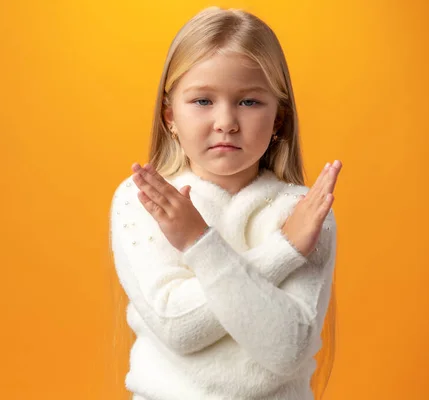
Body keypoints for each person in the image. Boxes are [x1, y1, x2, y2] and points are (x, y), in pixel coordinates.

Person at [108, 6, 342, 400]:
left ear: (279, 120)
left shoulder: (306, 211)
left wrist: (201, 249)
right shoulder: (143, 200)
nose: (226, 122)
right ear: (170, 116)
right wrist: (282, 250)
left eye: (249, 102)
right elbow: (177, 326)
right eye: (202, 101)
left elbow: (287, 351)